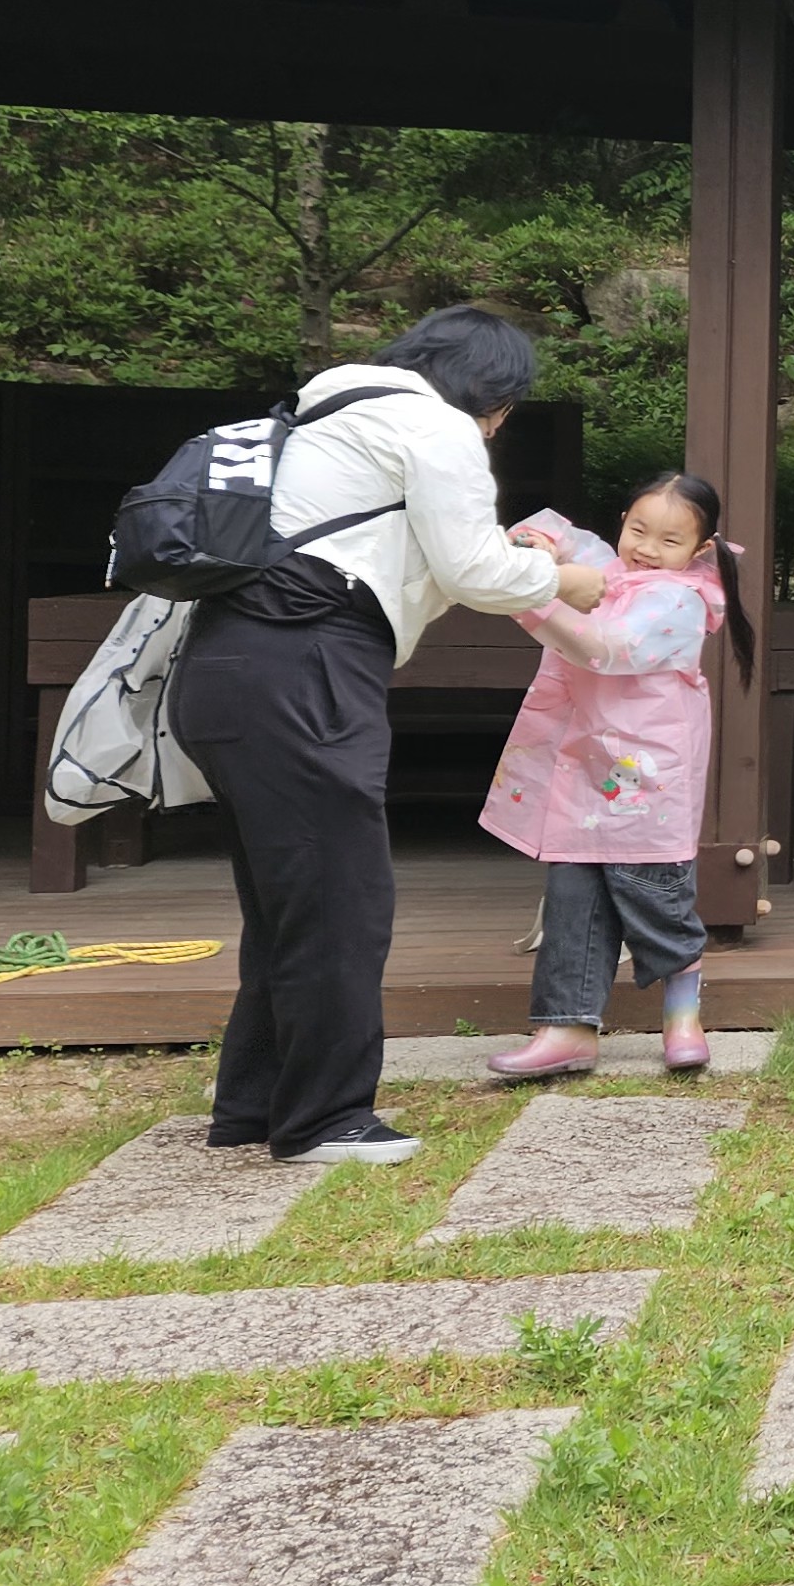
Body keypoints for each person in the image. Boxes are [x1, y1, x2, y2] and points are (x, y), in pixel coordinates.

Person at [183, 308, 606, 1165]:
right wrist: (567, 578)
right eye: (505, 411)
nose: (497, 428)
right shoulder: (434, 426)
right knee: (342, 901)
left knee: (288, 903)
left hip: (227, 663)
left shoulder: (324, 411)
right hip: (306, 669)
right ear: (495, 398)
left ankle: (255, 1104)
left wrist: (497, 558)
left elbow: (397, 565)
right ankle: (324, 1120)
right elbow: (474, 571)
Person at [475, 473, 753, 1080]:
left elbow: (606, 645)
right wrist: (540, 549)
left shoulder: (680, 601)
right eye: (638, 530)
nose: (647, 549)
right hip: (583, 766)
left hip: (643, 775)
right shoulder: (612, 568)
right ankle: (566, 1028)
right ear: (623, 519)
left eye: (669, 539)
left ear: (700, 550)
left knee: (653, 894)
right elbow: (555, 531)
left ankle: (683, 1016)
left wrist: (535, 592)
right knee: (572, 896)